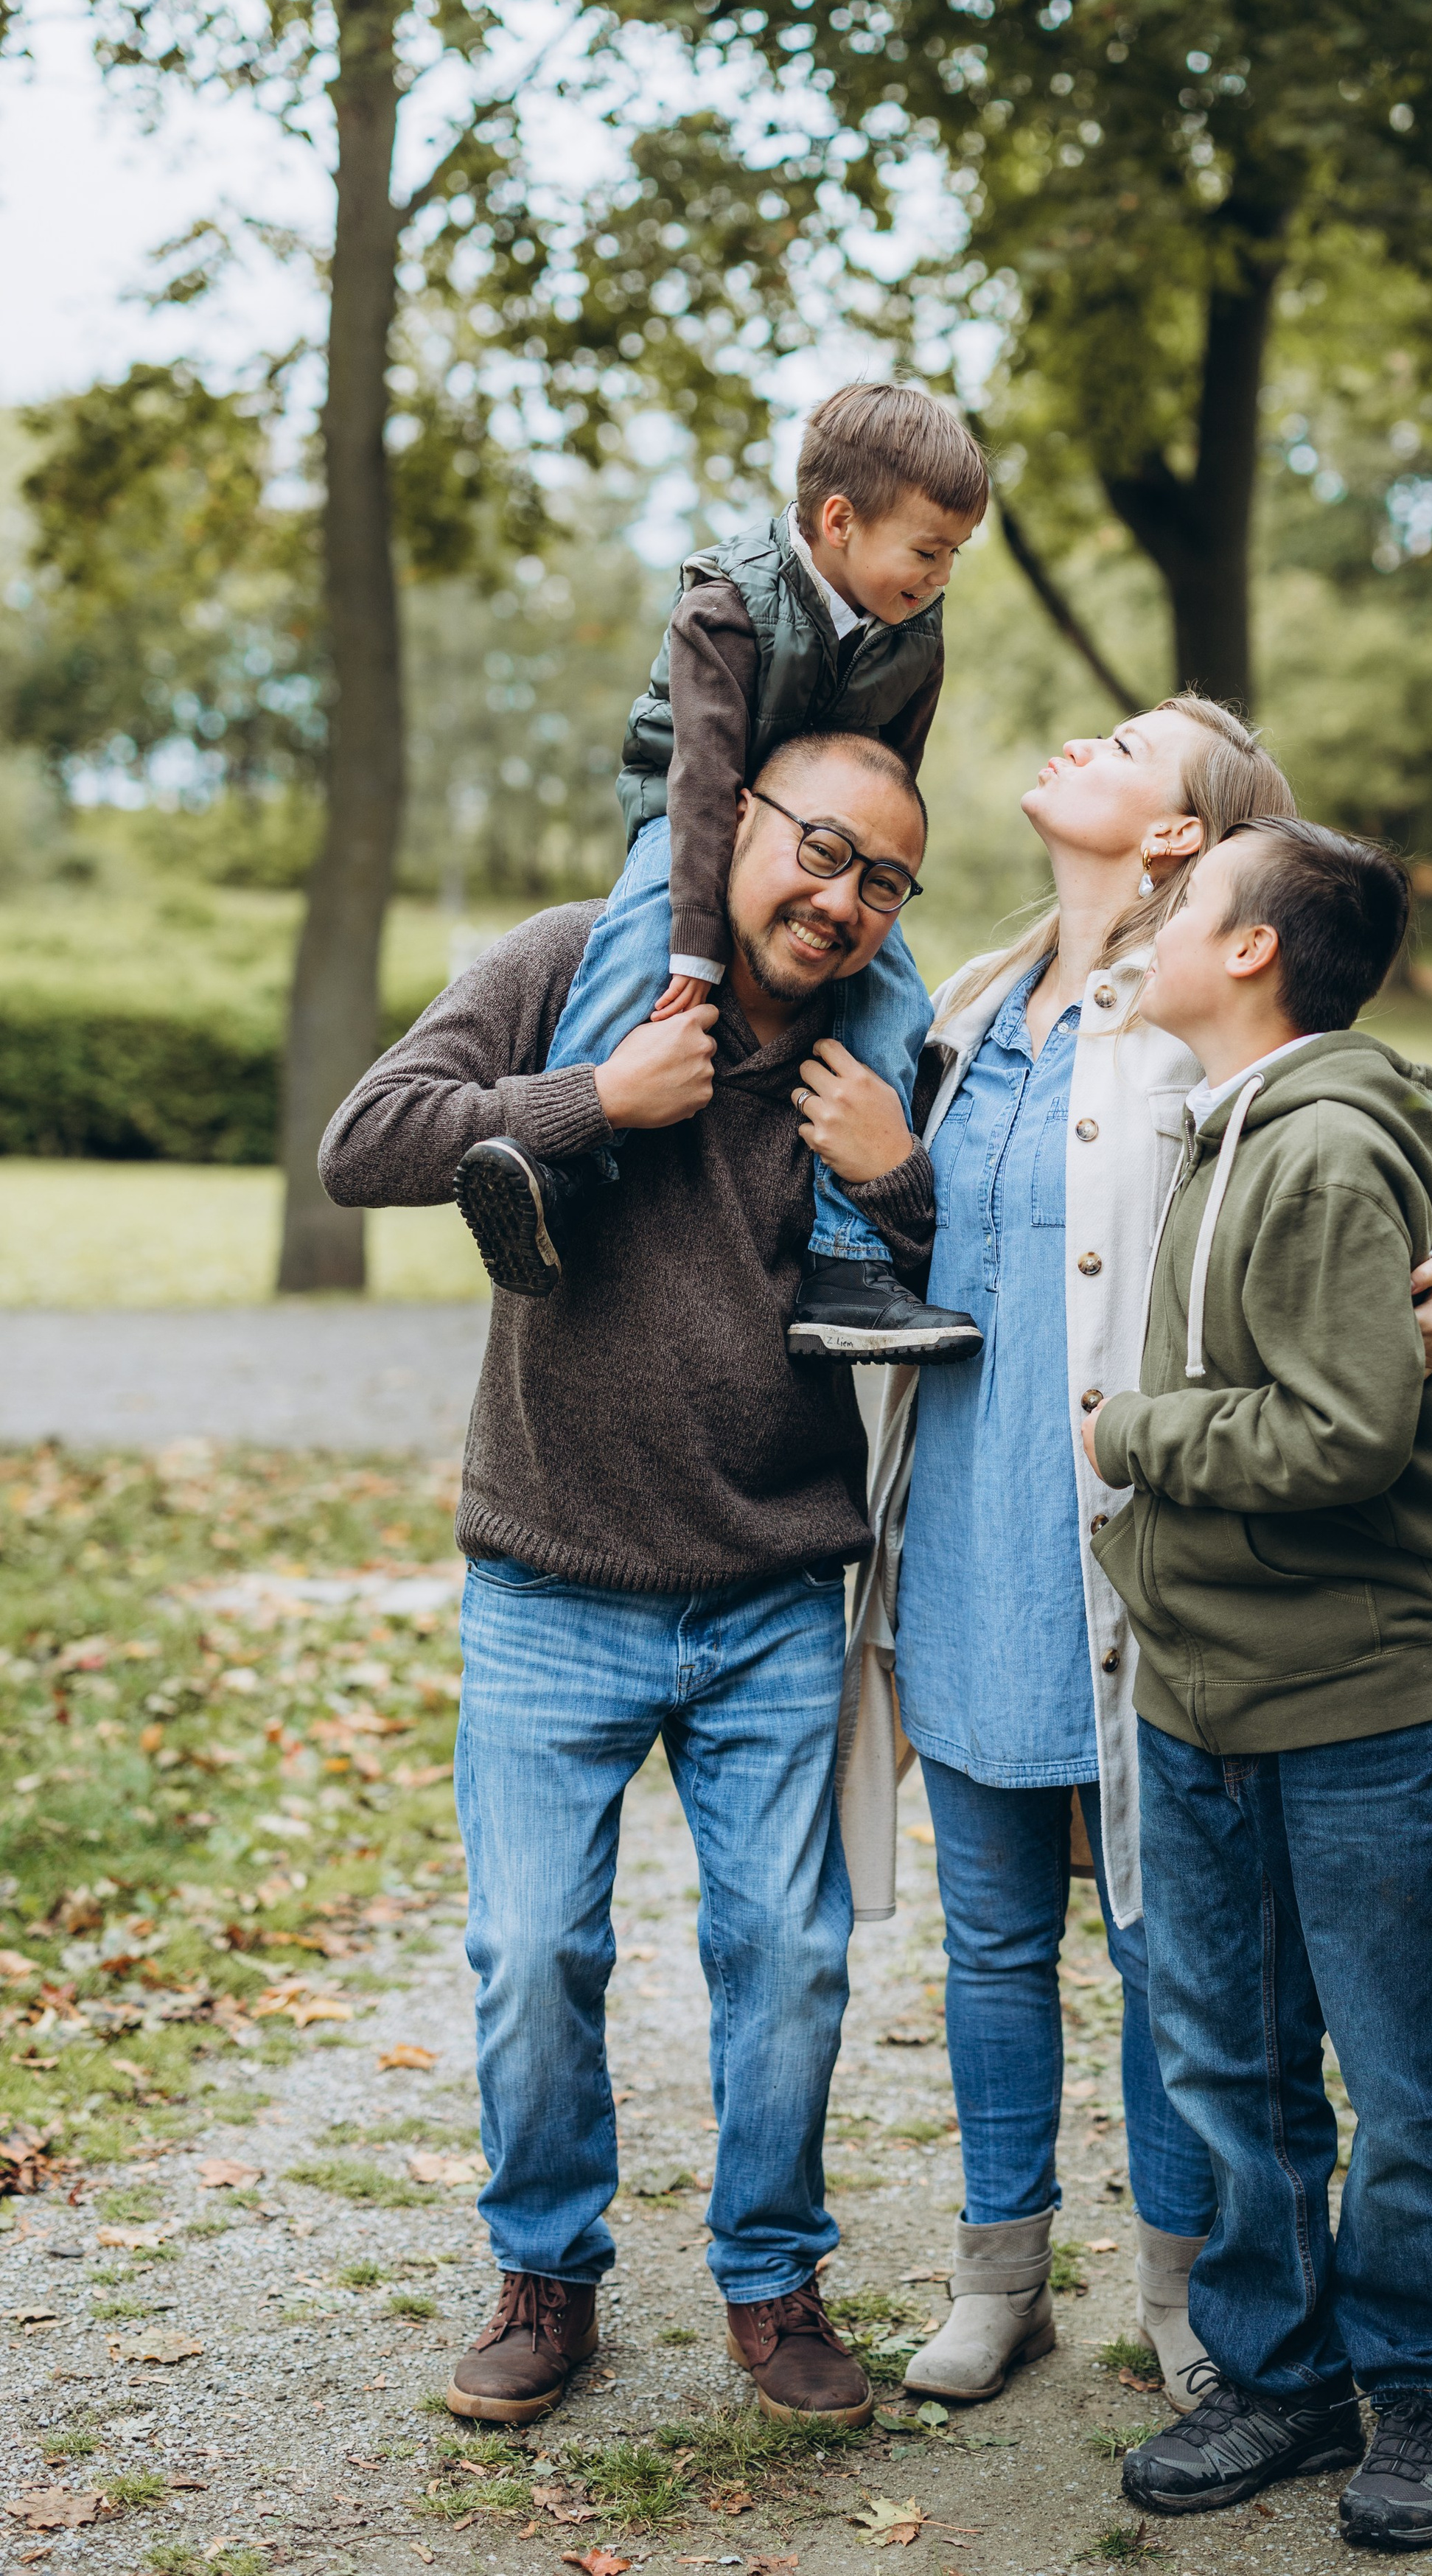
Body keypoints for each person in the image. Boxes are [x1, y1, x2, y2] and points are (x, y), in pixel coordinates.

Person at [834, 703, 1432, 2416]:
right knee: (992, 1937)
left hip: (1141, 1538)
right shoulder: (974, 1004)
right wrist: (898, 1169)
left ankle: (1188, 2282)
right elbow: (959, 1242)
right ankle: (999, 2275)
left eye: (1129, 741)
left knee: (1171, 1948)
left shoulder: (1204, 1020)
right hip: (973, 1514)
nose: (1079, 737)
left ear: (1179, 842)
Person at [318, 733, 942, 2432]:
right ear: (734, 820)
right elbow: (362, 1140)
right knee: (529, 1951)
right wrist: (593, 1098)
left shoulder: (877, 1049)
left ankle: (772, 2276)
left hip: (769, 1592)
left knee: (790, 1957)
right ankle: (544, 2277)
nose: (843, 900)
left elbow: (989, 1261)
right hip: (550, 1580)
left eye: (884, 879)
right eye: (821, 849)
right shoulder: (561, 968)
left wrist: (891, 1171)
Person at [1086, 817, 1432, 2552]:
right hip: (1200, 1686)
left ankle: (1424, 2390)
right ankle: (1273, 2371)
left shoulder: (1320, 1149)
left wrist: (1134, 1433)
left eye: (1186, 903)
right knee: (1232, 2058)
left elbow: (1341, 1432)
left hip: (1351, 1695)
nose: (1159, 918)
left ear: (1251, 950)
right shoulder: (1218, 1126)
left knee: (1394, 2072)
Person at [451, 380, 988, 1368]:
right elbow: (703, 785)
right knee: (640, 941)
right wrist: (696, 959)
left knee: (895, 993)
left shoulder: (916, 628)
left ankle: (845, 1261)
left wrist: (871, 886)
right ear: (839, 521)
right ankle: (554, 1167)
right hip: (690, 807)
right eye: (929, 549)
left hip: (819, 840)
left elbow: (890, 777)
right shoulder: (728, 603)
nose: (942, 573)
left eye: (955, 554)